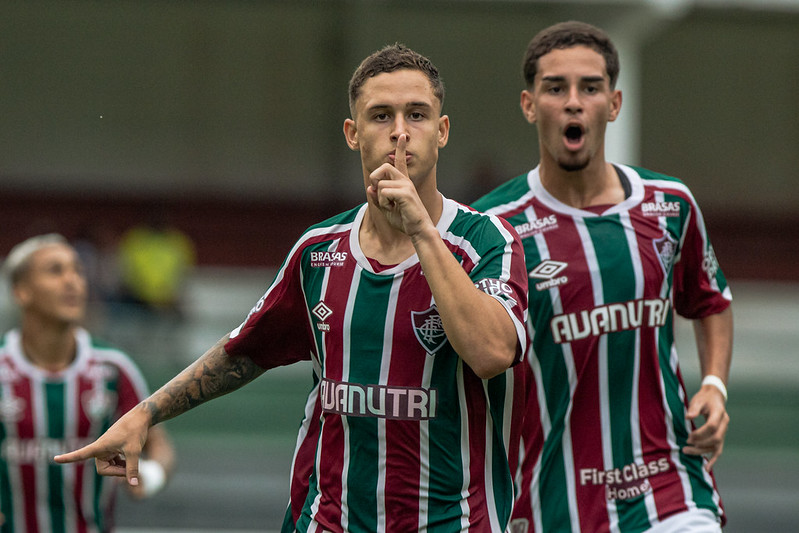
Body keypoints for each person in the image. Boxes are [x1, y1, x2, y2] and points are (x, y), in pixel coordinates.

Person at [56, 44, 530, 532]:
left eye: (417, 115)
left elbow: (492, 351)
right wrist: (145, 414)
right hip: (325, 521)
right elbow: (245, 351)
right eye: (380, 115)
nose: (400, 132)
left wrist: (421, 232)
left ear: (442, 131)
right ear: (353, 134)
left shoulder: (486, 241)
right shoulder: (318, 252)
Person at [471, 21, 733, 533]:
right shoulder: (491, 228)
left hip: (669, 485)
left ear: (613, 104)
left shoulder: (670, 205)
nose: (574, 102)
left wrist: (715, 384)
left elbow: (710, 300)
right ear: (529, 105)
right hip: (550, 499)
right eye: (555, 88)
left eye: (590, 87)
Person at [0, 233, 175, 532]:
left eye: (77, 271)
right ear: (22, 291)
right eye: (55, 270)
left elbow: (159, 444)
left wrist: (150, 475)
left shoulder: (113, 367)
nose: (73, 281)